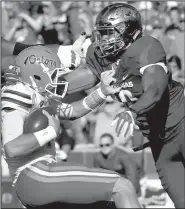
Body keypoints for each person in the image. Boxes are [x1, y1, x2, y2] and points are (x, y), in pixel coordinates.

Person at [4, 3, 185, 208]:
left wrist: (133, 111)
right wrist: (46, 75)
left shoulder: (146, 47)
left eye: (109, 33)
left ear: (130, 32)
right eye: (102, 33)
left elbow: (156, 87)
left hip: (181, 124)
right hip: (161, 139)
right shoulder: (99, 56)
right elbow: (66, 84)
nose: (103, 39)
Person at [1, 46, 141, 208]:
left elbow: (72, 111)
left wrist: (102, 92)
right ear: (35, 77)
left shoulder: (38, 96)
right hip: (34, 174)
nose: (58, 79)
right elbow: (12, 148)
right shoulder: (18, 96)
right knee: (122, 187)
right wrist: (50, 132)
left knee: (107, 203)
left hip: (39, 177)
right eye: (53, 74)